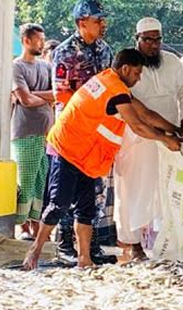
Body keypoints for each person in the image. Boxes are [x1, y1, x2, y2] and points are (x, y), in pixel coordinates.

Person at [22, 49, 183, 270]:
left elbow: (146, 114)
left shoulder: (112, 82)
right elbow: (137, 125)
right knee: (59, 204)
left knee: (86, 210)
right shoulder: (114, 89)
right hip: (67, 150)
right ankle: (35, 251)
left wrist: (176, 130)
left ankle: (84, 259)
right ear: (125, 69)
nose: (138, 78)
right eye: (137, 73)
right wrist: (165, 139)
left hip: (87, 157)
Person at [113, 17, 183, 261]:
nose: (154, 45)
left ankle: (167, 243)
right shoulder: (126, 68)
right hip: (137, 138)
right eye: (148, 40)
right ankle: (133, 243)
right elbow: (141, 114)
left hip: (170, 136)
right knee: (134, 190)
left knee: (168, 189)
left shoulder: (172, 61)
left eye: (158, 39)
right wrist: (163, 133)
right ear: (137, 39)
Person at [52, 0, 116, 264]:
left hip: (99, 133)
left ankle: (90, 247)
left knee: (96, 190)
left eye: (103, 20)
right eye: (98, 20)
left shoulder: (105, 50)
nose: (103, 25)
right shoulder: (64, 53)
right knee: (68, 190)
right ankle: (66, 245)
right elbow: (61, 95)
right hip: (74, 131)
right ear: (82, 23)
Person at [11, 23, 55, 241]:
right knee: (25, 182)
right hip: (24, 132)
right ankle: (22, 227)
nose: (41, 44)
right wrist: (43, 97)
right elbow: (25, 100)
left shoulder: (45, 67)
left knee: (40, 182)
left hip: (45, 134)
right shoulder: (16, 67)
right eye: (38, 40)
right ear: (26, 41)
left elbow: (56, 94)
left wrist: (34, 94)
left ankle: (37, 228)